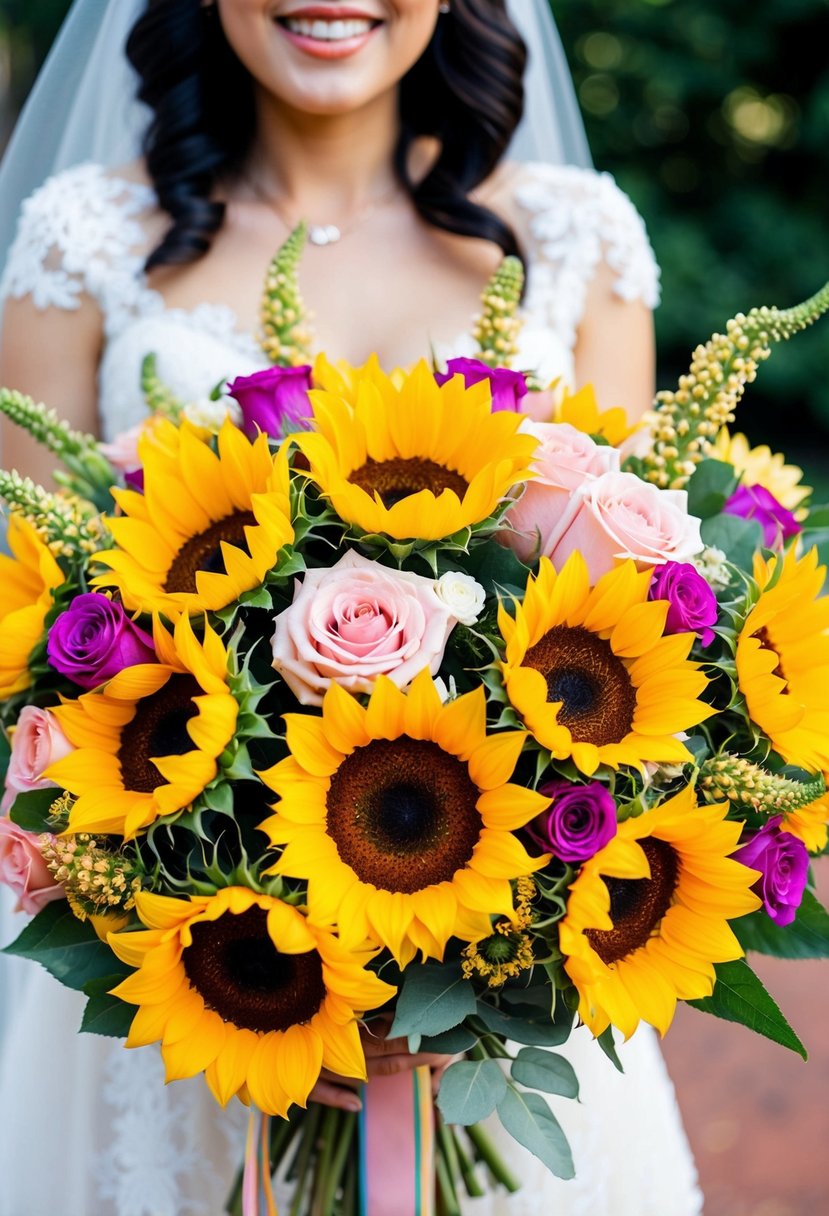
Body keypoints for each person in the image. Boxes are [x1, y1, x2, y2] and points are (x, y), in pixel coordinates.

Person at [0, 2, 701, 1213]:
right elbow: (30, 647)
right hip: (189, 990)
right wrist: (242, 956)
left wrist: (478, 968)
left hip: (490, 1000)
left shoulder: (574, 234)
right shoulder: (87, 239)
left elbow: (649, 620)